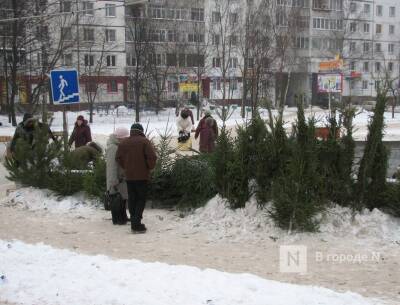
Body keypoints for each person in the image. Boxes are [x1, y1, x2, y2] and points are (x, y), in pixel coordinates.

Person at [116, 123, 157, 233]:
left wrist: (126, 166)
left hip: (129, 176)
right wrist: (149, 167)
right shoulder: (144, 141)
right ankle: (136, 223)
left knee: (132, 198)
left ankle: (134, 220)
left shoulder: (124, 142)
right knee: (140, 199)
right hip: (142, 176)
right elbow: (152, 157)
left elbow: (118, 157)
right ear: (141, 131)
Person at [106, 127, 130, 203]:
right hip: (116, 183)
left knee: (121, 203)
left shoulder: (118, 146)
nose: (127, 139)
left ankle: (122, 215)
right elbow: (111, 167)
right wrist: (113, 182)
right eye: (126, 137)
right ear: (120, 138)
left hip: (120, 181)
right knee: (116, 204)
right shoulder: (113, 148)